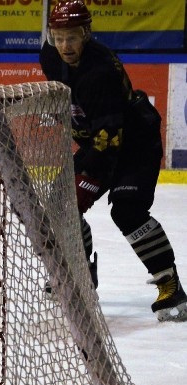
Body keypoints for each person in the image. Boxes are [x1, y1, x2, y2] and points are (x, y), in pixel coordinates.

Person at [40, 0, 186, 322]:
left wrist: (87, 183)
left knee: (127, 209)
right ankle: (82, 274)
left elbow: (111, 141)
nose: (65, 45)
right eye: (59, 36)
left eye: (73, 37)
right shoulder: (49, 56)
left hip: (134, 146)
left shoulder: (99, 71)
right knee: (60, 204)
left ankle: (170, 285)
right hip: (100, 142)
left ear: (87, 34)